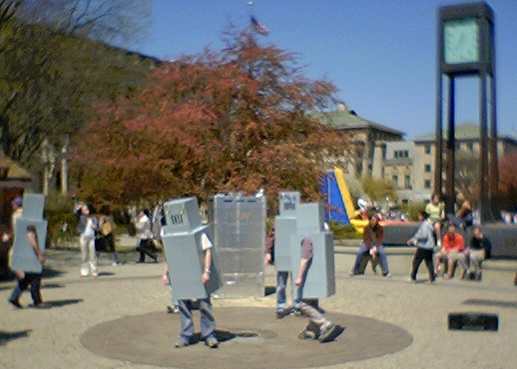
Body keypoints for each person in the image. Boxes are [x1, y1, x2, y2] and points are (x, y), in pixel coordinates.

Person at [175, 232, 218, 349]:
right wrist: (166, 273)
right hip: (182, 274)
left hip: (199, 274)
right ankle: (185, 335)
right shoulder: (173, 233)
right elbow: (171, 253)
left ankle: (209, 334)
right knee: (183, 304)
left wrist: (206, 271)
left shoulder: (199, 233)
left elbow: (207, 251)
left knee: (204, 304)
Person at [295, 237, 338, 343]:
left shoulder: (307, 237)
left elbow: (305, 258)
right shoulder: (318, 236)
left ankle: (324, 324)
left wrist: (299, 276)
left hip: (309, 278)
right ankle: (312, 329)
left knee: (301, 304)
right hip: (316, 277)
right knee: (312, 304)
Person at [8, 225, 46, 308]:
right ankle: (37, 301)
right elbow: (32, 240)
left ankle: (14, 297)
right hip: (28, 260)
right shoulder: (30, 230)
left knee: (25, 280)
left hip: (18, 258)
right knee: (35, 279)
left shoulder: (18, 231)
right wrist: (39, 255)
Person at [264, 226, 298, 319]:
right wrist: (268, 252)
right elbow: (271, 237)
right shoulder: (279, 223)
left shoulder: (299, 222)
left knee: (295, 284)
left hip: (295, 256)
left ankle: (296, 305)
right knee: (281, 283)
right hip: (282, 256)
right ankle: (281, 306)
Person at [407, 211, 436, 283]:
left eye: (419, 216)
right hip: (430, 246)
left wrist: (414, 239)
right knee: (429, 262)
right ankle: (432, 278)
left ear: (423, 216)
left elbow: (424, 235)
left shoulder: (425, 225)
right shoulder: (429, 224)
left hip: (424, 246)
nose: (418, 217)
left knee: (416, 262)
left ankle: (413, 277)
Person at [77, 204, 99, 277]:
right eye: (84, 209)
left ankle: (94, 271)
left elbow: (97, 228)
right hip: (83, 237)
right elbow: (76, 213)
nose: (85, 211)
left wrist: (94, 226)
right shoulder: (81, 217)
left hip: (92, 238)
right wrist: (79, 207)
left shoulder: (93, 218)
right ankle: (84, 271)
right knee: (84, 255)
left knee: (93, 255)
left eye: (86, 209)